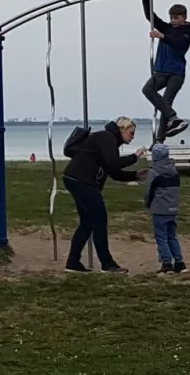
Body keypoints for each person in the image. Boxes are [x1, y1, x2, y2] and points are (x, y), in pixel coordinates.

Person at [60, 116, 147, 273]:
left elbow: (113, 172)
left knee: (87, 223)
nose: (133, 137)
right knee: (100, 222)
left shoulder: (107, 140)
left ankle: (72, 263)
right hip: (82, 181)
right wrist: (135, 157)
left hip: (75, 178)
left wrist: (136, 175)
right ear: (122, 129)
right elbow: (113, 163)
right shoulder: (107, 137)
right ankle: (107, 264)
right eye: (131, 133)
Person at [142, 0, 190, 142]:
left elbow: (180, 43)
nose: (172, 20)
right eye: (171, 17)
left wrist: (162, 37)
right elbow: (150, 17)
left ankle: (159, 140)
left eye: (176, 18)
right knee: (147, 89)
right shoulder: (167, 27)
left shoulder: (189, 30)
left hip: (176, 72)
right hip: (161, 71)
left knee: (166, 103)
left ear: (184, 17)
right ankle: (174, 119)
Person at [144, 142, 186, 274]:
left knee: (161, 237)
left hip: (159, 209)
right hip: (173, 208)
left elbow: (148, 191)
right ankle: (179, 262)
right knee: (172, 236)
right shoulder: (174, 172)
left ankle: (167, 263)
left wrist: (148, 204)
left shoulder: (153, 172)